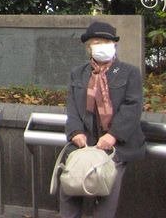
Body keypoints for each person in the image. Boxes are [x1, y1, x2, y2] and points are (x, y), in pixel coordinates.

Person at [59, 21, 145, 218]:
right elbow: (72, 108)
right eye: (96, 42)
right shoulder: (78, 73)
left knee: (107, 188)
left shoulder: (129, 72)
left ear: (114, 44)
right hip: (84, 144)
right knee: (70, 185)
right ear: (88, 47)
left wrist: (113, 135)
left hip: (116, 146)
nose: (101, 46)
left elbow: (133, 106)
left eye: (106, 41)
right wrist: (75, 132)